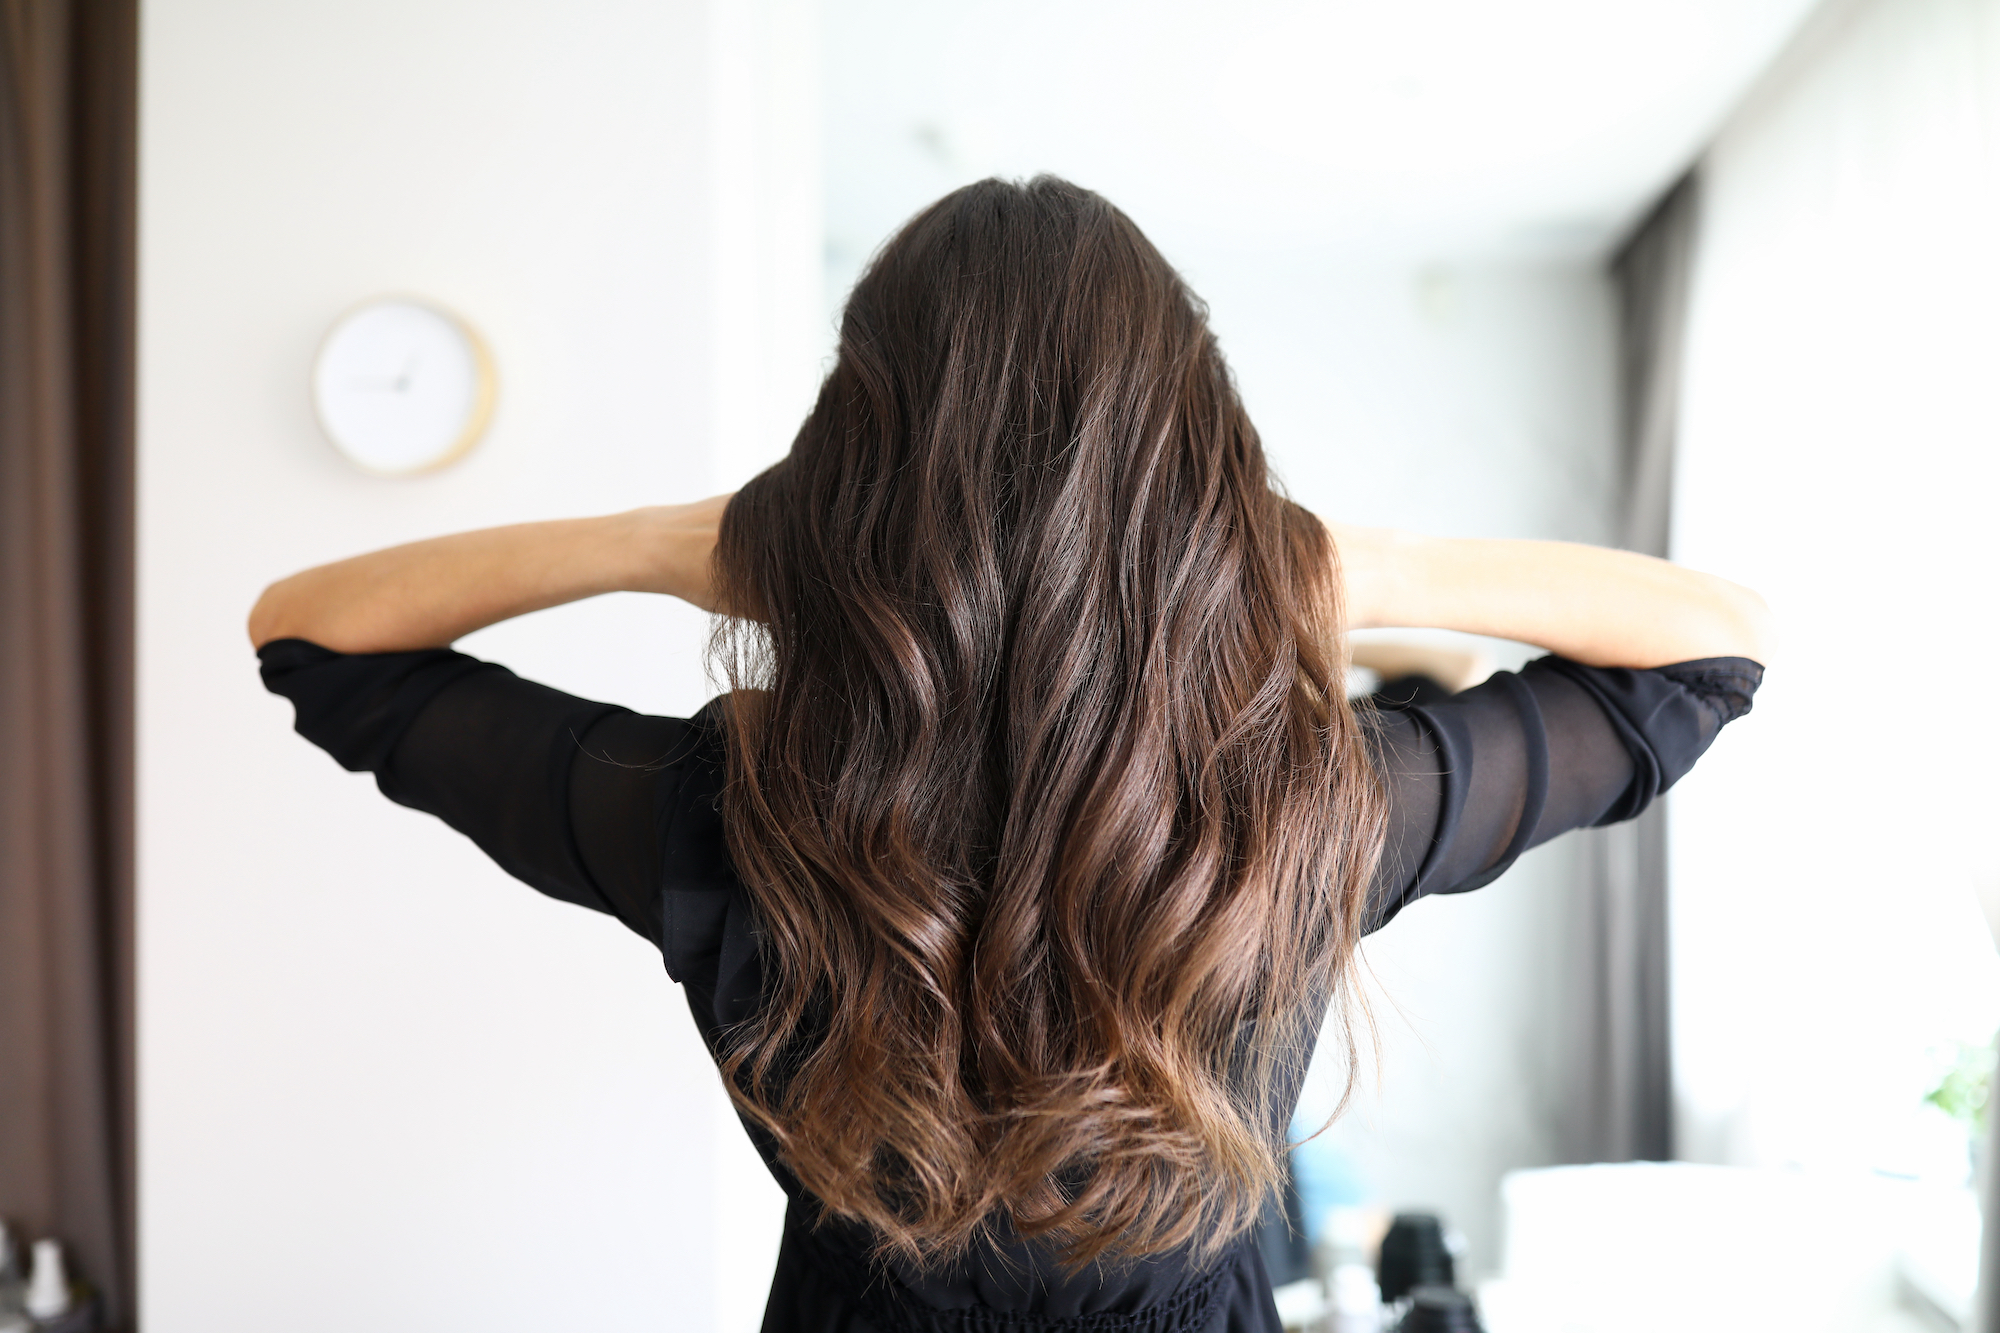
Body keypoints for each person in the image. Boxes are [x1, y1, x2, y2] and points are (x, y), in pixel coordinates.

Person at [249, 177, 1769, 1331]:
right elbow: (1705, 652)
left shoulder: (725, 818)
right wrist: (1330, 568)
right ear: (1197, 453)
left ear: (851, 452)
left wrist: (683, 543)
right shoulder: (1309, 809)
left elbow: (312, 636)